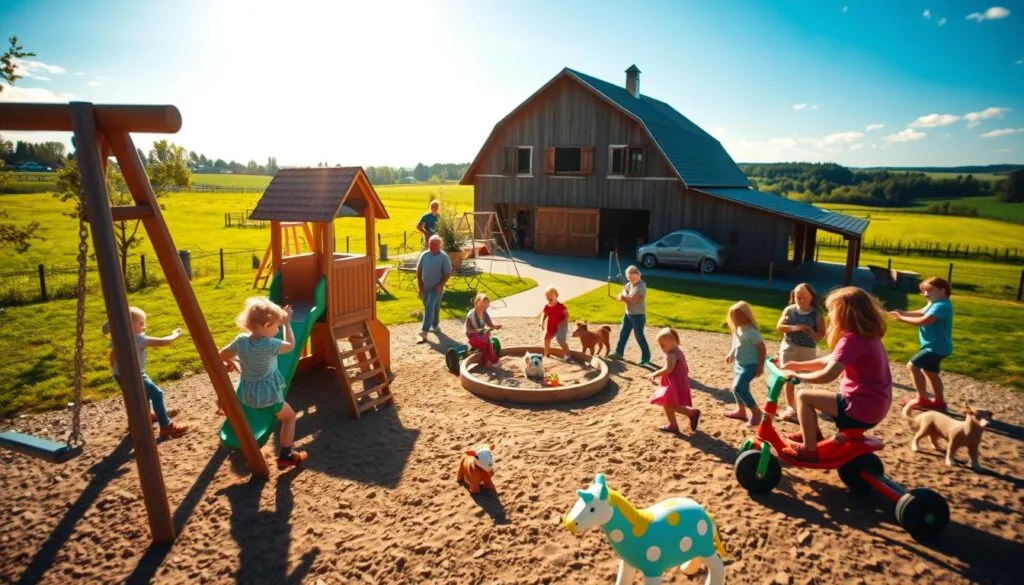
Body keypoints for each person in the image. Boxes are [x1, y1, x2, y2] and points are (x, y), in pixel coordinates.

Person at [783, 287, 893, 463]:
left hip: (860, 409)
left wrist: (799, 376)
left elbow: (828, 375)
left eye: (832, 310)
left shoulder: (851, 339)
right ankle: (812, 434)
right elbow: (830, 359)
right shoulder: (866, 336)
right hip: (874, 406)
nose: (829, 316)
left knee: (803, 395)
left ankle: (810, 450)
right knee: (804, 395)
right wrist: (797, 365)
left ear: (844, 312)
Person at [219, 297, 307, 470]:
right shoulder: (270, 344)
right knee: (289, 418)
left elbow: (221, 355)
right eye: (275, 326)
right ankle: (286, 456)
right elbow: (290, 345)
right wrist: (287, 324)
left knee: (259, 412)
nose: (277, 330)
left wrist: (229, 362)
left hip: (247, 396)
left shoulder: (241, 341)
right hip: (269, 397)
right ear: (267, 326)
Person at [105, 307, 188, 439]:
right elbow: (164, 342)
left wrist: (116, 368)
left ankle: (146, 415)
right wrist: (175, 334)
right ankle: (166, 426)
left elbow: (112, 357)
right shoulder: (138, 339)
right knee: (156, 393)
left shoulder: (118, 338)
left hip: (120, 375)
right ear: (129, 325)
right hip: (135, 374)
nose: (144, 326)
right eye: (141, 323)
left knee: (140, 395)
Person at [889, 276, 953, 410]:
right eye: (923, 291)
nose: (925, 294)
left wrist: (902, 318)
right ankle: (939, 402)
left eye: (929, 290)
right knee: (931, 373)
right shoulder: (935, 303)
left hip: (935, 347)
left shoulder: (941, 306)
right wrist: (903, 313)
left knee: (913, 366)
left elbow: (924, 320)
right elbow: (921, 312)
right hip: (938, 346)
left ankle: (922, 398)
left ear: (942, 291)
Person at [775, 283, 826, 423]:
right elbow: (779, 327)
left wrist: (812, 333)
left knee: (802, 378)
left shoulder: (816, 314)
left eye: (804, 297)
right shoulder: (789, 310)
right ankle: (790, 407)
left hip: (807, 349)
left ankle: (801, 406)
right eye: (798, 297)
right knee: (788, 376)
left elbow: (822, 335)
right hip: (789, 345)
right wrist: (794, 328)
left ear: (811, 297)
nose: (800, 299)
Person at [648, 327, 700, 433]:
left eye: (663, 345)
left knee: (668, 404)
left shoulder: (671, 355)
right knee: (671, 404)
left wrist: (655, 373)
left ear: (673, 343)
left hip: (673, 384)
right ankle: (688, 415)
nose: (661, 348)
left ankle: (682, 419)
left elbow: (668, 369)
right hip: (679, 381)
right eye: (660, 345)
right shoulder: (678, 351)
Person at [724, 301, 766, 426]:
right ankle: (741, 411)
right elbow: (735, 343)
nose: (733, 319)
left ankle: (756, 413)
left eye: (736, 316)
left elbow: (762, 349)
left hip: (751, 365)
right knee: (738, 388)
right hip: (739, 364)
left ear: (746, 315)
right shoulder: (738, 329)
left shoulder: (751, 332)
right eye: (732, 316)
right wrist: (731, 353)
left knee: (738, 387)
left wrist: (760, 365)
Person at [607, 265, 651, 366]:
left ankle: (646, 358)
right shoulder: (629, 285)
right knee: (623, 333)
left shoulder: (641, 286)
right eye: (629, 277)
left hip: (638, 315)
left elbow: (634, 300)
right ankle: (619, 352)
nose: (630, 279)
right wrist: (621, 297)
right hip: (628, 314)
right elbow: (620, 295)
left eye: (632, 277)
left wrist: (624, 297)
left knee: (639, 336)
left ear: (638, 275)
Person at [416, 234, 452, 343]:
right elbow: (419, 271)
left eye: (433, 245)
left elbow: (448, 273)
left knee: (429, 307)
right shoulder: (424, 255)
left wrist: (440, 285)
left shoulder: (443, 257)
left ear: (439, 246)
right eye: (430, 244)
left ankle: (423, 332)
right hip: (425, 288)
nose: (430, 246)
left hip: (436, 289)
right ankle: (435, 325)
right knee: (433, 308)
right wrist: (420, 286)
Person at [466, 293, 503, 368]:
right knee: (487, 342)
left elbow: (490, 324)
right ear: (476, 304)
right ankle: (494, 360)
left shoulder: (484, 314)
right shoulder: (471, 315)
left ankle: (485, 361)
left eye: (485, 307)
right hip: (473, 337)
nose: (483, 309)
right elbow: (468, 331)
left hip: (482, 335)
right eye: (482, 306)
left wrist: (495, 326)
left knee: (487, 341)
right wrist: (478, 331)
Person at [540, 285, 571, 360]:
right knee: (546, 338)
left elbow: (567, 315)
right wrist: (541, 323)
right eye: (547, 298)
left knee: (560, 339)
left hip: (561, 325)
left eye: (551, 298)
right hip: (551, 325)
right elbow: (543, 315)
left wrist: (564, 321)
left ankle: (568, 355)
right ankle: (546, 354)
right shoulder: (546, 307)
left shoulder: (561, 306)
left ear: (556, 296)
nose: (549, 300)